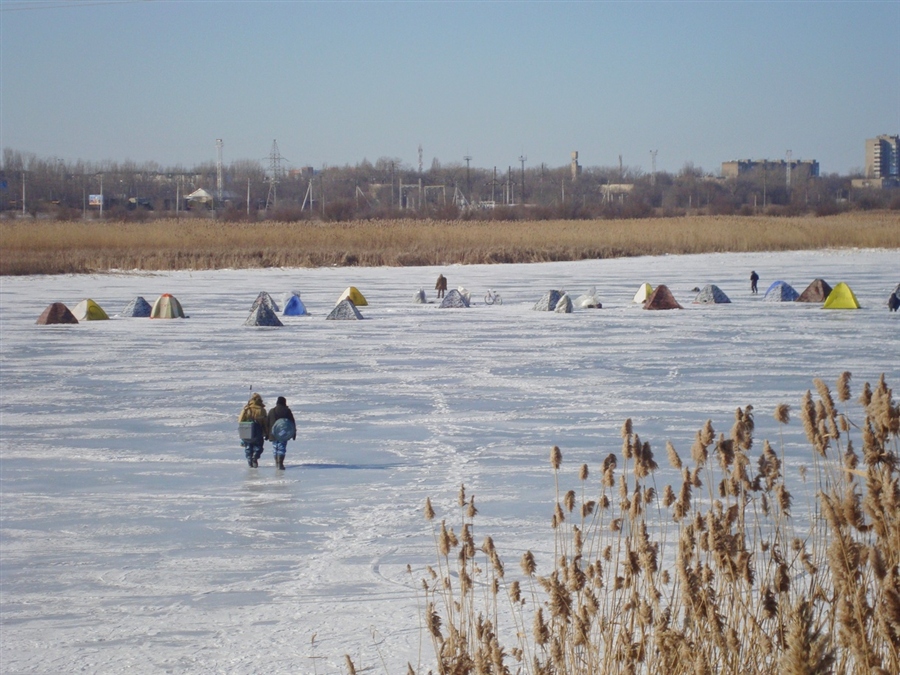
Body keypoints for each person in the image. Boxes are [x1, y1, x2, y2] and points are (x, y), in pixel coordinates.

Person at [238, 393, 268, 467]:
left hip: (247, 430)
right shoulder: (262, 410)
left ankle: (249, 459)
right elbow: (265, 423)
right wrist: (266, 432)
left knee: (248, 446)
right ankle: (255, 457)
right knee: (258, 446)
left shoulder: (247, 409)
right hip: (258, 431)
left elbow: (240, 420)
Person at [267, 396, 296, 470]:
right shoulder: (287, 411)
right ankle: (280, 463)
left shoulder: (272, 411)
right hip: (284, 433)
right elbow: (292, 422)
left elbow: (267, 423)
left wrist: (267, 434)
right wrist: (293, 433)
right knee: (281, 447)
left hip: (273, 433)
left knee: (275, 447)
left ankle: (277, 462)